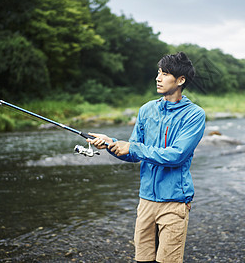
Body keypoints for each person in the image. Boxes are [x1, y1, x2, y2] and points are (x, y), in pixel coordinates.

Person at [88, 52, 206, 262]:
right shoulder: (146, 110)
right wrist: (110, 143)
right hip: (145, 201)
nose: (158, 78)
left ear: (181, 80)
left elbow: (176, 156)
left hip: (174, 202)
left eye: (166, 74)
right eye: (159, 72)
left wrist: (132, 147)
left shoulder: (194, 115)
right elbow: (133, 154)